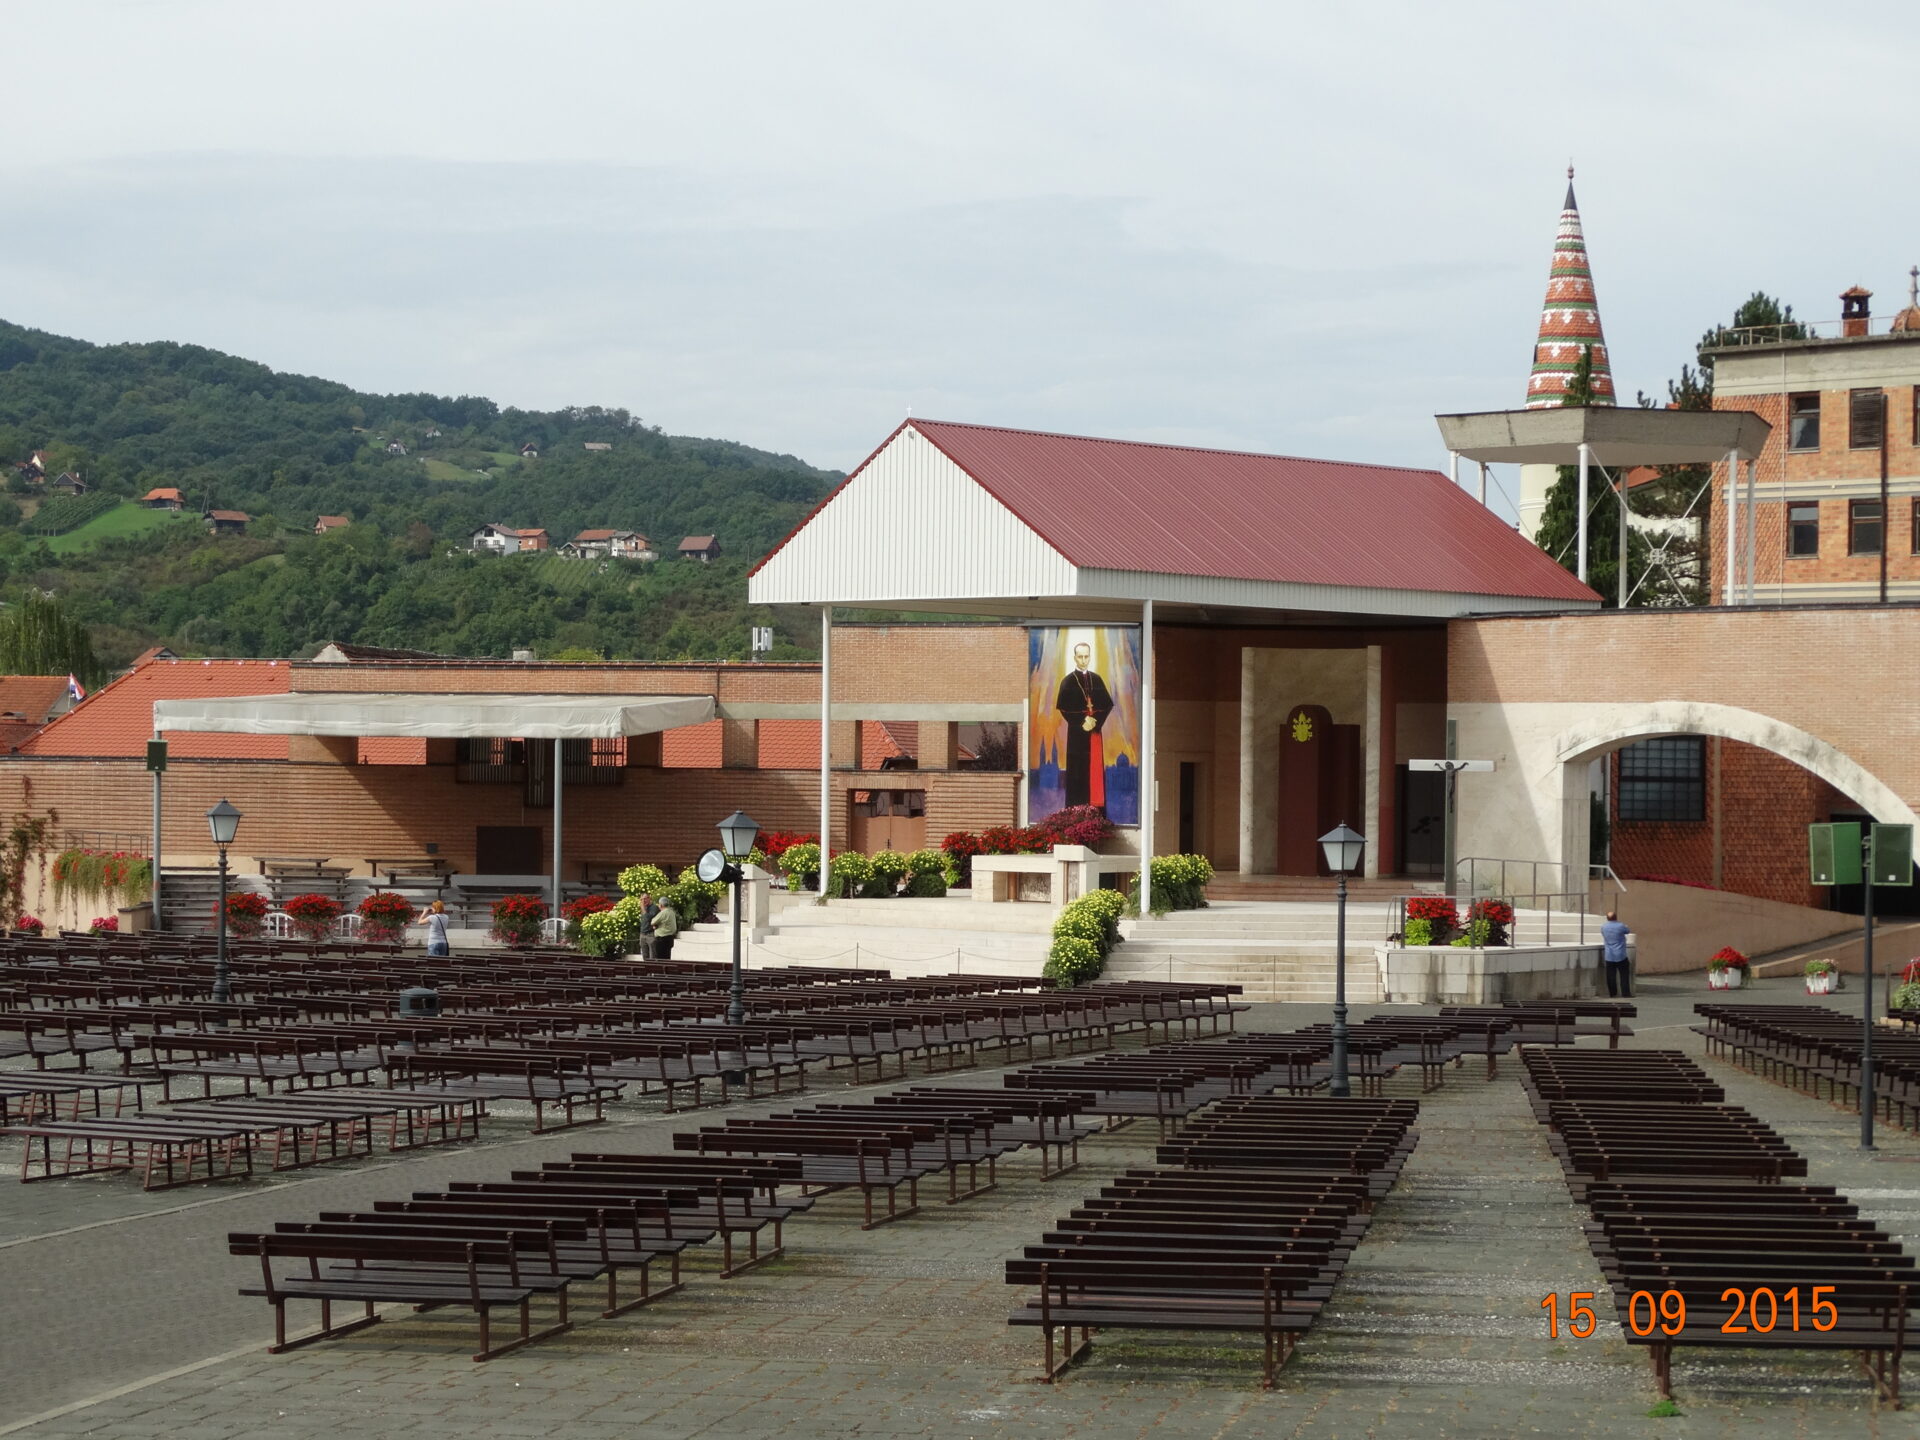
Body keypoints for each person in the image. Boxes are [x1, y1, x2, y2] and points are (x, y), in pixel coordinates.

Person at [1053, 640, 1115, 811]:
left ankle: (1096, 812)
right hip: (1077, 735)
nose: (1083, 660)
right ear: (1075, 657)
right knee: (1078, 771)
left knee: (1094, 771)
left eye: (1086, 656)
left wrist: (1095, 721)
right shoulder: (1068, 681)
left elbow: (1107, 705)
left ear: (1090, 657)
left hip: (1094, 732)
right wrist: (1082, 721)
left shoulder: (1097, 679)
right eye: (1080, 657)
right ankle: (1077, 811)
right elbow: (1064, 709)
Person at [1599, 909, 1632, 997]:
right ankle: (1625, 993)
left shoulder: (1604, 927)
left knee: (1610, 976)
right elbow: (1628, 931)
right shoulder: (1621, 925)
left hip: (1609, 955)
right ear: (1616, 917)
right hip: (1621, 954)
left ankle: (1612, 993)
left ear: (1607, 918)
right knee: (1624, 975)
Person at [651, 895, 679, 961]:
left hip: (662, 939)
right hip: (670, 938)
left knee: (660, 959)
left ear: (661, 905)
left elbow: (653, 921)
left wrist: (655, 925)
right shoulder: (671, 912)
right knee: (667, 958)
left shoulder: (663, 912)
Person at [636, 892, 658, 962]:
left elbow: (649, 918)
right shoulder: (644, 908)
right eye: (641, 899)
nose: (643, 901)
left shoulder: (654, 907)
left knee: (652, 957)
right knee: (645, 957)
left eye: (645, 899)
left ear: (649, 898)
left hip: (650, 934)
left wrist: (643, 909)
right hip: (642, 934)